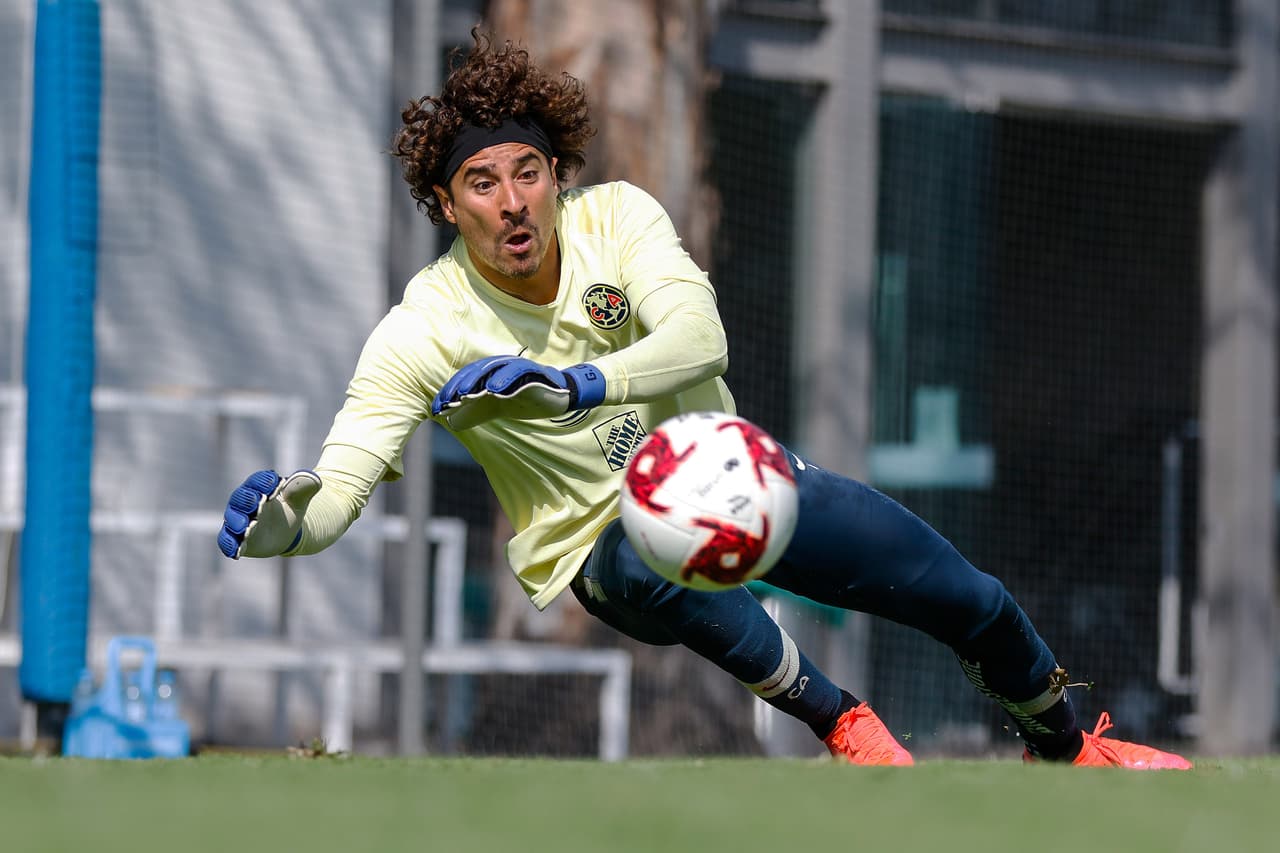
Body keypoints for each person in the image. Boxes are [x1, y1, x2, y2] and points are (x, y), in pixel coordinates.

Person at [218, 30, 1190, 770]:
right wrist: (279, 523)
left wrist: (574, 382)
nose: (511, 200)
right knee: (640, 558)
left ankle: (1069, 749)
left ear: (557, 175)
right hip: (597, 548)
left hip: (733, 476)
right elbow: (337, 492)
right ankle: (838, 716)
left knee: (970, 600)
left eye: (527, 172)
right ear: (444, 203)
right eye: (481, 183)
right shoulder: (419, 330)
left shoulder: (620, 219)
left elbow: (698, 338)